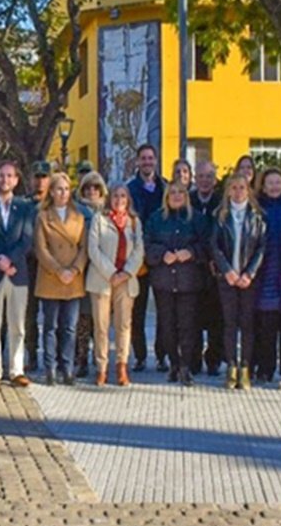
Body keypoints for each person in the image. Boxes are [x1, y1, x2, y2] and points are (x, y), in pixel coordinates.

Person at [145, 180, 207, 385]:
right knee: (167, 325)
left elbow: (207, 245)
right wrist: (162, 254)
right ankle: (173, 363)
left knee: (188, 326)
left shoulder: (197, 219)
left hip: (189, 281)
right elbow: (146, 244)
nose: (177, 195)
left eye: (181, 192)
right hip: (163, 281)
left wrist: (191, 252)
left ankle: (186, 366)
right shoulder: (156, 219)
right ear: (166, 196)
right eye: (173, 192)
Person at [0, 161, 36, 388]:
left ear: (16, 180)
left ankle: (16, 370)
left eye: (10, 176)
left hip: (17, 272)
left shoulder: (25, 207)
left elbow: (27, 238)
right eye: (1, 175)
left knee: (17, 325)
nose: (5, 180)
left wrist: (10, 259)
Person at [210, 174, 266, 389]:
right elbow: (214, 246)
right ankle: (231, 366)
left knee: (248, 324)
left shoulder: (257, 216)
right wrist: (227, 271)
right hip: (228, 279)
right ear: (228, 191)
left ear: (248, 190)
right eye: (234, 188)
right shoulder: (221, 216)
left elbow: (261, 247)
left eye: (242, 187)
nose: (238, 191)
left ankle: (245, 368)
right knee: (229, 323)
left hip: (248, 279)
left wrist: (249, 273)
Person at [87, 184, 145, 386]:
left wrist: (127, 272)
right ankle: (101, 367)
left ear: (128, 199)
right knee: (101, 326)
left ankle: (122, 365)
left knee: (123, 324)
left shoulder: (134, 222)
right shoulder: (99, 219)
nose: (119, 200)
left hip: (126, 279)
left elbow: (139, 250)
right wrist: (111, 272)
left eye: (123, 196)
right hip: (102, 278)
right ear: (109, 198)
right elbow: (93, 249)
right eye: (115, 196)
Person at [34, 172, 88, 385]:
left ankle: (67, 367)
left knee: (70, 327)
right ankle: (50, 368)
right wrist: (58, 270)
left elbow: (84, 247)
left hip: (73, 278)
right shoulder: (43, 216)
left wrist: (74, 269)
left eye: (66, 189)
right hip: (51, 277)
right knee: (50, 326)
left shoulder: (79, 216)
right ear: (51, 191)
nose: (63, 193)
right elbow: (41, 248)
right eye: (58, 189)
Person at [252, 169, 281, 384]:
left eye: (278, 182)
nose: (274, 186)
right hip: (265, 269)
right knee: (266, 324)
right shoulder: (257, 208)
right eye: (270, 183)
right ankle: (265, 368)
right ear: (263, 185)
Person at [126, 143, 167, 372]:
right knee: (137, 310)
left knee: (164, 310)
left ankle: (162, 355)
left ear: (156, 160)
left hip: (161, 256)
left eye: (151, 158)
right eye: (143, 158)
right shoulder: (130, 189)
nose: (147, 162)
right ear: (137, 162)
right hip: (139, 258)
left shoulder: (165, 187)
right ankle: (140, 355)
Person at [73, 171, 107, 379]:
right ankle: (82, 358)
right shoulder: (77, 211)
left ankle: (100, 358)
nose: (92, 191)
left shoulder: (109, 211)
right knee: (83, 318)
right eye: (87, 188)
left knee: (101, 320)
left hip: (104, 271)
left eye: (96, 187)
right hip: (83, 270)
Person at [191, 160, 223, 376]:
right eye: (201, 176)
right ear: (195, 178)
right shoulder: (188, 201)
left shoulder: (222, 202)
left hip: (216, 270)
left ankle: (213, 360)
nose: (205, 180)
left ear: (215, 179)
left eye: (209, 176)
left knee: (216, 319)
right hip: (193, 267)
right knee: (192, 318)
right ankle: (193, 361)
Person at [25, 161, 53, 372]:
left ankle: (55, 357)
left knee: (53, 317)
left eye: (44, 176)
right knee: (29, 315)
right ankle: (32, 354)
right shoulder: (24, 205)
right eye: (37, 176)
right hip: (29, 266)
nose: (40, 181)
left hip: (52, 267)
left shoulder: (57, 206)